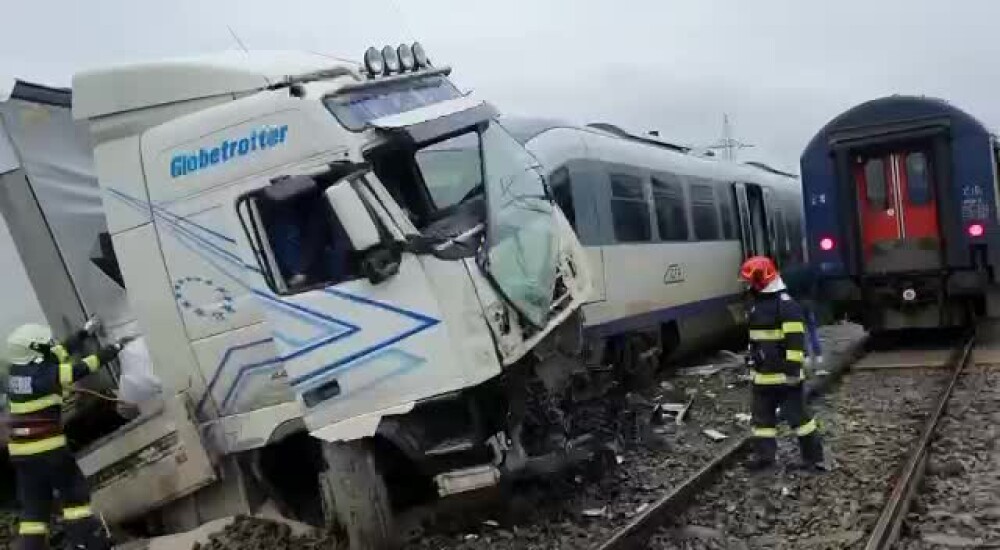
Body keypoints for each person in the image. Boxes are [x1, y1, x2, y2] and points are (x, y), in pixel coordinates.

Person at [6, 319, 125, 550]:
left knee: (33, 510)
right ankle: (88, 543)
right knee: (74, 496)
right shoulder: (44, 376)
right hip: (48, 450)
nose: (48, 346)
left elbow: (57, 352)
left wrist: (83, 332)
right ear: (33, 351)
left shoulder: (17, 372)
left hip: (22, 455)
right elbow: (80, 368)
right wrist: (115, 348)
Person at [739, 256, 828, 472]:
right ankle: (764, 457)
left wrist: (792, 371)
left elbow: (795, 342)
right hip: (762, 376)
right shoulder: (756, 305)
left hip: (785, 377)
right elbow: (757, 341)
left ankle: (813, 457)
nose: (750, 285)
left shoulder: (786, 306)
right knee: (762, 422)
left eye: (753, 281)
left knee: (799, 419)